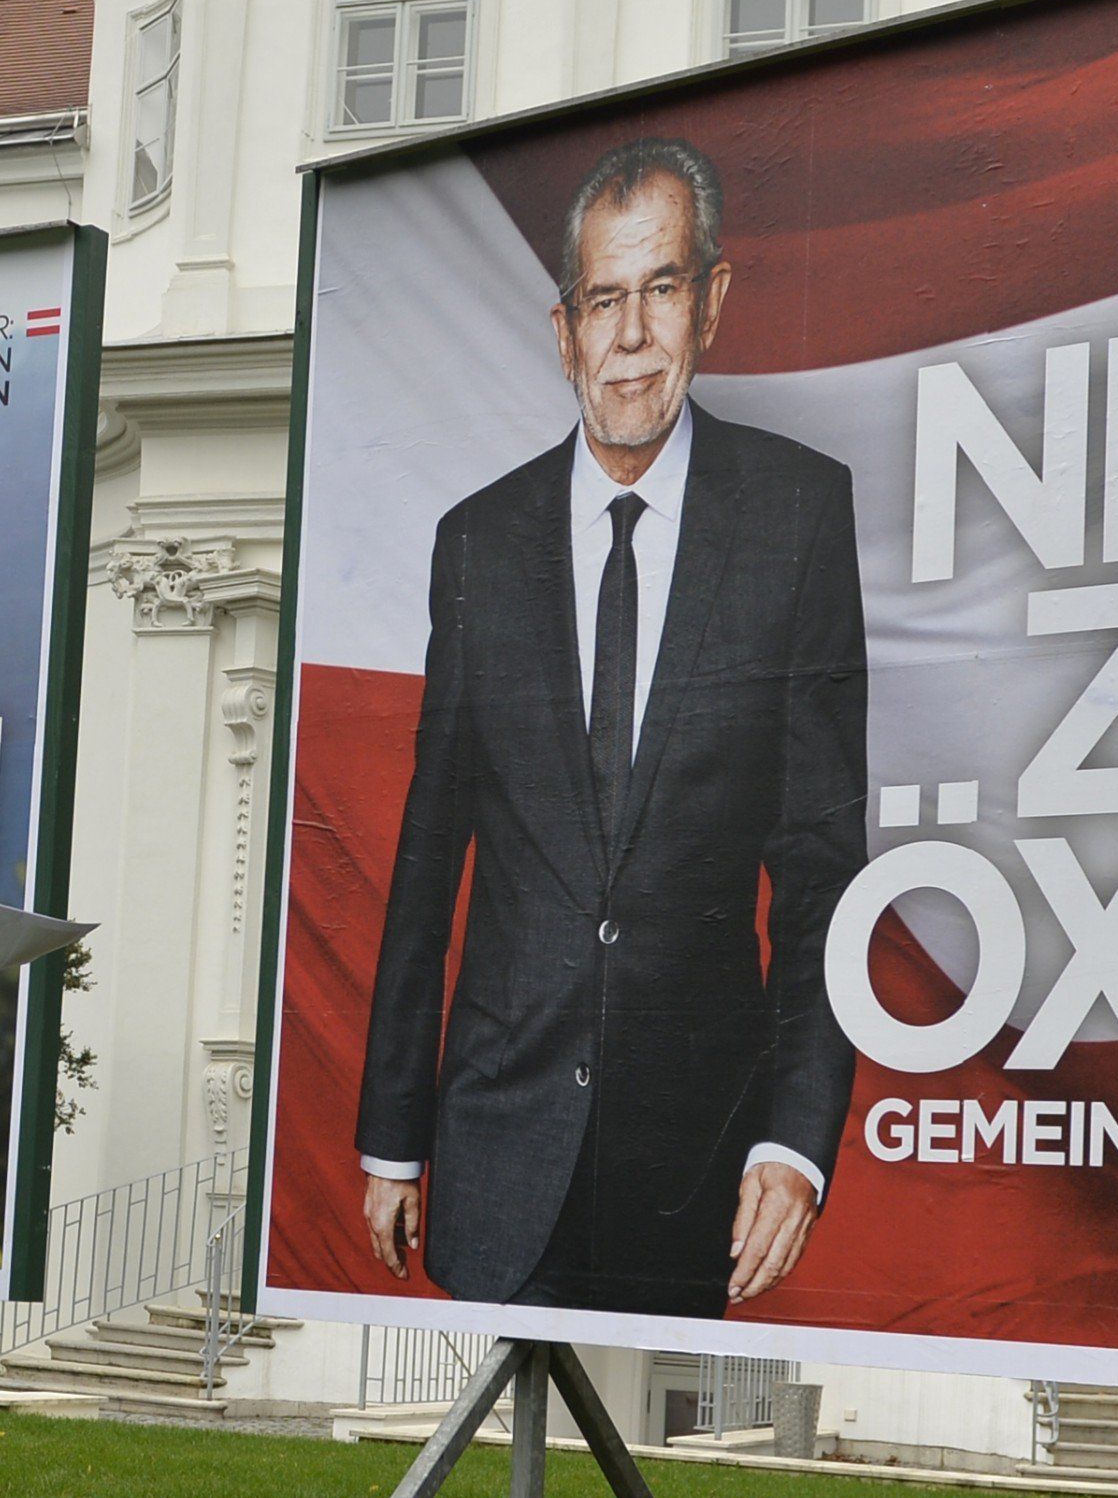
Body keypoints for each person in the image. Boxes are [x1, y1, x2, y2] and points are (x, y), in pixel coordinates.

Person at [356, 137, 868, 1319]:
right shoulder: (476, 543)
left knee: (639, 1485)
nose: (631, 334)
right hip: (495, 1134)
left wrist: (792, 1140)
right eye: (603, 298)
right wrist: (393, 1134)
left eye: (662, 288)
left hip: (693, 1158)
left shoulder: (796, 516)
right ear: (563, 329)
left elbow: (818, 871)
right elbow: (429, 852)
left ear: (711, 302)